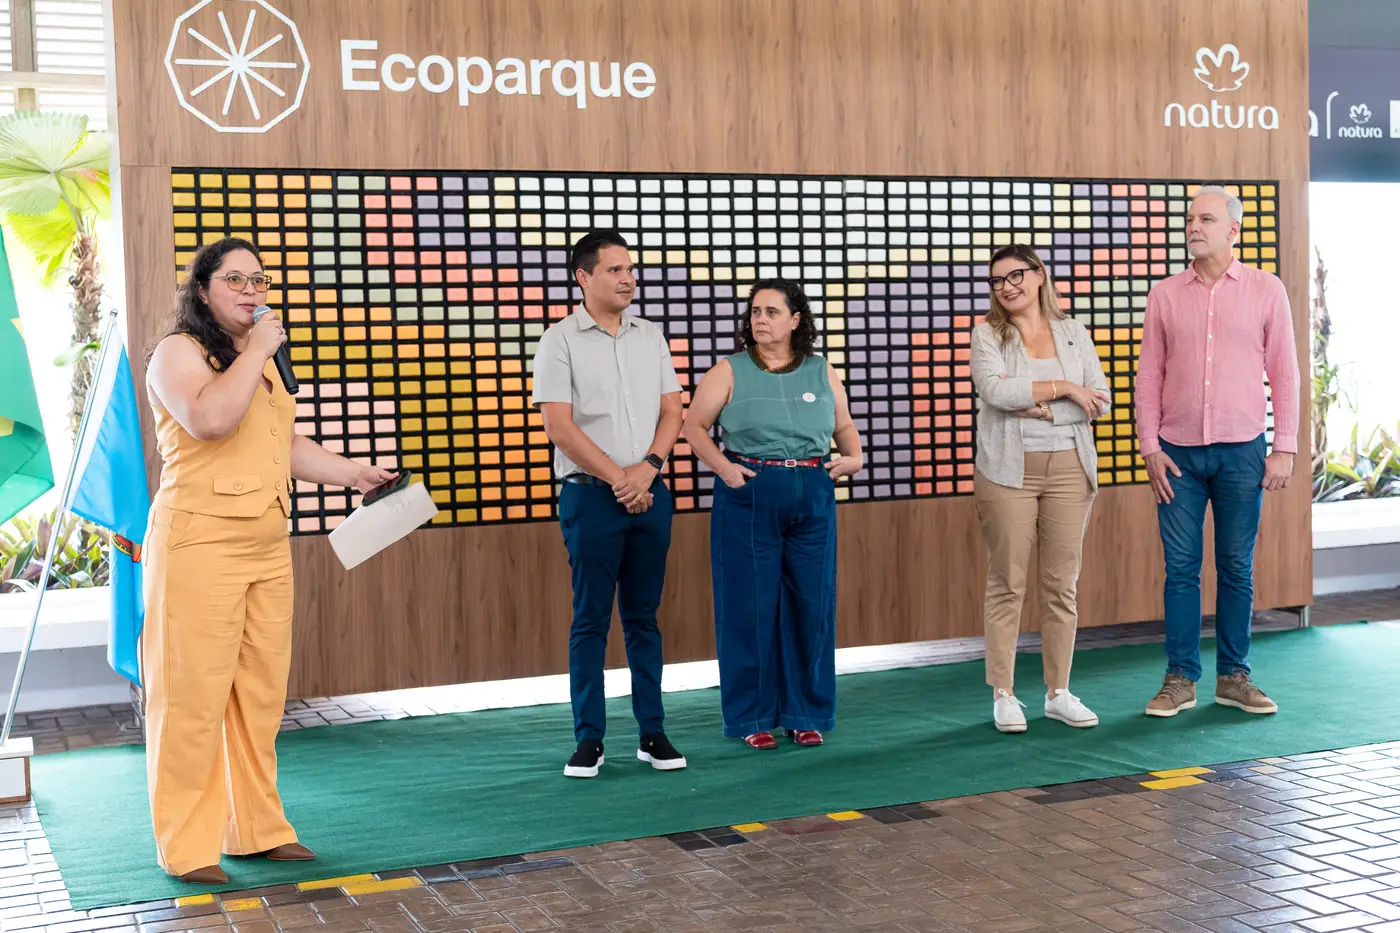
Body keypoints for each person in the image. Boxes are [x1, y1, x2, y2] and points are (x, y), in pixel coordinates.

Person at [142, 236, 397, 884]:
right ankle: (187, 845)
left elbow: (281, 441)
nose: (252, 290)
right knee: (192, 698)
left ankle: (255, 829)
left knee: (258, 697)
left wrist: (354, 473)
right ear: (203, 291)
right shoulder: (178, 352)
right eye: (235, 279)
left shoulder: (255, 358)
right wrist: (257, 350)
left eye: (258, 279)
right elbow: (209, 420)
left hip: (265, 546)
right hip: (198, 545)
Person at [1137, 185, 1299, 718]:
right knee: (1181, 569)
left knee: (1235, 567)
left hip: (1243, 452)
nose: (1193, 227)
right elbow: (1148, 376)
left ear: (1233, 230)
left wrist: (1285, 447)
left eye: (1205, 219)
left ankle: (1234, 676)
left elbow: (1285, 373)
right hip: (1177, 457)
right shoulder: (1164, 295)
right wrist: (1149, 447)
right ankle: (1180, 679)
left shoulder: (1266, 289)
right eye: (1190, 219)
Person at [531, 230, 688, 778]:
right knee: (591, 620)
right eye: (615, 270)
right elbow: (559, 426)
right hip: (591, 498)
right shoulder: (558, 341)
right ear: (584, 277)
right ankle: (589, 739)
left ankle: (653, 733)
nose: (628, 279)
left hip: (651, 494)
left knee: (644, 618)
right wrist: (621, 479)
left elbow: (673, 410)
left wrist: (649, 469)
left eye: (630, 269)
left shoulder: (651, 336)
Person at [682, 278, 863, 749]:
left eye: (771, 311)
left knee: (812, 606)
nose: (759, 319)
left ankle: (805, 714)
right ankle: (753, 716)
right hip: (750, 493)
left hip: (813, 493)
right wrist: (726, 470)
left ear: (796, 320)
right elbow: (694, 426)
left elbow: (844, 425)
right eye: (755, 311)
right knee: (750, 607)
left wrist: (855, 458)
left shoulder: (821, 370)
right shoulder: (729, 370)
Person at [969, 244, 1112, 734]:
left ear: (1038, 275)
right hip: (1007, 470)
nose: (1006, 287)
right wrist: (1066, 389)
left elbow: (1101, 400)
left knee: (1061, 584)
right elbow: (996, 391)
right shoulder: (988, 334)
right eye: (997, 280)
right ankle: (1004, 694)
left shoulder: (1073, 333)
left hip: (1070, 467)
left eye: (1016, 276)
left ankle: (1058, 693)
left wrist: (1045, 407)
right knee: (1007, 582)